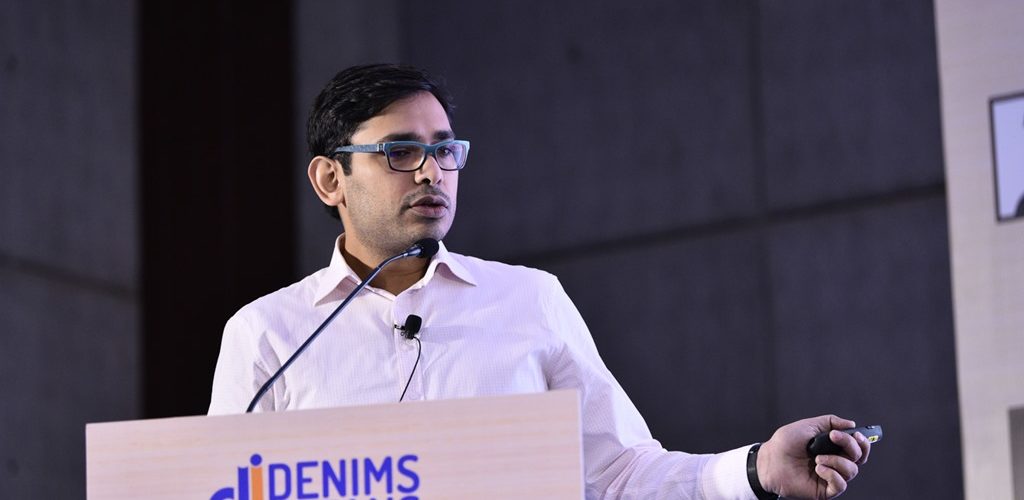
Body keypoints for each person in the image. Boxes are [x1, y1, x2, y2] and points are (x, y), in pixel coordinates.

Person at [209, 64, 871, 499]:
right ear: (331, 179)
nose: (432, 172)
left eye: (444, 150)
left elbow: (619, 472)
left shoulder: (528, 300)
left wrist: (756, 469)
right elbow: (222, 488)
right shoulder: (268, 333)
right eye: (400, 152)